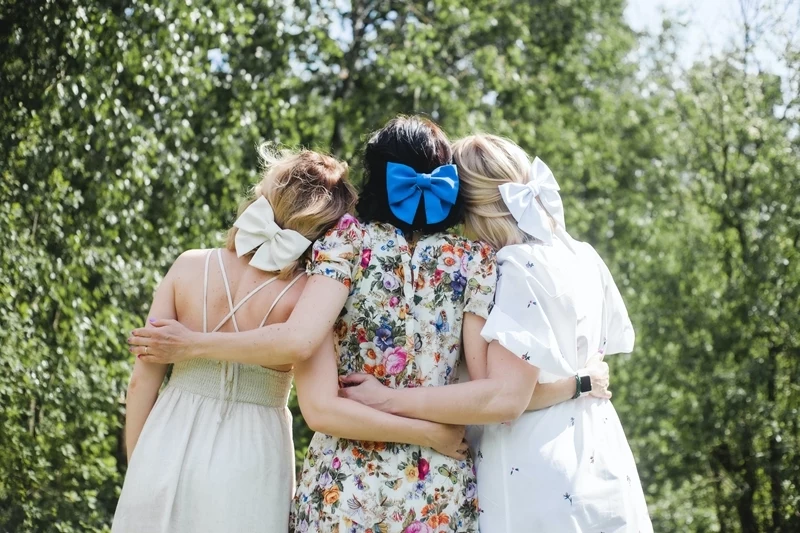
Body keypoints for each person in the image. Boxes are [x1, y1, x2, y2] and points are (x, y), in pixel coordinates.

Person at [128, 116, 539, 533]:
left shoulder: (345, 243)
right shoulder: (478, 261)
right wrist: (574, 386)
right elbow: (486, 390)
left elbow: (303, 353)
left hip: (345, 485)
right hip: (436, 484)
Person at [451, 135, 653, 532]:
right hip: (598, 450)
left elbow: (505, 395)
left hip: (533, 460)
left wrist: (391, 400)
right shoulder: (583, 255)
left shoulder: (515, 268)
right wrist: (580, 382)